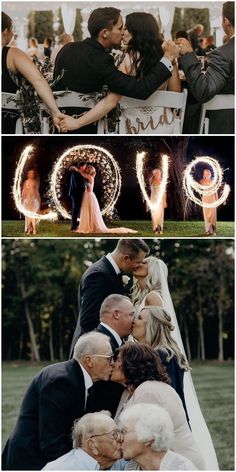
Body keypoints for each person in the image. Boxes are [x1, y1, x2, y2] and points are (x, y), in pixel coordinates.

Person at [130, 255, 219, 469]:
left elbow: (157, 322)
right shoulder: (141, 294)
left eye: (144, 263)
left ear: (152, 272)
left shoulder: (153, 297)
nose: (138, 263)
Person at [54, 7, 179, 133]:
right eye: (120, 28)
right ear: (105, 33)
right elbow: (141, 90)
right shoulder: (103, 60)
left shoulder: (66, 49)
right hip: (90, 129)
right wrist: (167, 59)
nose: (122, 32)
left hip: (56, 122)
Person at [2, 332, 114, 470]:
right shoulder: (60, 382)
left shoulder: (80, 378)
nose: (113, 363)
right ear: (88, 361)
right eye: (109, 358)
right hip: (30, 461)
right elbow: (52, 443)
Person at [112, 343, 205, 470]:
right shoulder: (132, 391)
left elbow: (143, 437)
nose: (113, 364)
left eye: (118, 360)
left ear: (132, 364)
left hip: (175, 464)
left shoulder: (148, 391)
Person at [69, 239, 149, 357]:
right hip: (91, 354)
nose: (138, 266)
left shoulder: (110, 272)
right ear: (126, 258)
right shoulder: (98, 275)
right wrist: (111, 344)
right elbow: (89, 320)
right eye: (138, 262)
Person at [176, 2, 234, 134]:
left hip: (225, 125)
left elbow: (203, 91)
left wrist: (188, 55)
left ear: (225, 21)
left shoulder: (224, 53)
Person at [2, 12, 64, 134]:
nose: (13, 33)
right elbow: (38, 80)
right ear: (5, 31)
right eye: (12, 30)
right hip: (8, 126)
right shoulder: (12, 54)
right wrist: (56, 113)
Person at [132, 305, 189, 422]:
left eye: (139, 318)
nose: (133, 321)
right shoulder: (167, 353)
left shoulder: (160, 355)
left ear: (152, 325)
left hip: (166, 425)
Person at [119, 403, 197, 470]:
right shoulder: (131, 467)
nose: (119, 438)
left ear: (148, 438)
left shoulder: (181, 468)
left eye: (124, 432)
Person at [94, 294, 135, 416]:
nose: (134, 320)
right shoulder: (98, 343)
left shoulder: (113, 340)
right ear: (116, 314)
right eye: (131, 315)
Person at [43, 411, 124, 470]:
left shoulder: (120, 461)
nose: (120, 438)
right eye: (114, 434)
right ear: (92, 444)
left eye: (120, 432)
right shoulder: (59, 469)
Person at [74, 164, 137, 234]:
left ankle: (90, 225)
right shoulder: (89, 177)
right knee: (86, 210)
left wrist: (77, 170)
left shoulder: (90, 177)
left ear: (89, 170)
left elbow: (89, 188)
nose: (86, 169)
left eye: (88, 168)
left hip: (89, 195)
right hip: (87, 195)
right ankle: (87, 224)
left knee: (89, 210)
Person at [68, 161, 88, 231]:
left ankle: (76, 225)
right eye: (85, 167)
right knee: (75, 210)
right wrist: (85, 188)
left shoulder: (78, 173)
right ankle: (73, 227)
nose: (85, 168)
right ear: (81, 167)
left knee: (76, 209)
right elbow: (77, 185)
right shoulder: (76, 174)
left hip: (76, 194)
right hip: (75, 194)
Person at [21, 169, 41, 235]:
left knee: (32, 215)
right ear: (28, 174)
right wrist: (22, 199)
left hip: (33, 200)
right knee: (28, 216)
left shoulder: (35, 182)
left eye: (32, 173)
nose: (31, 174)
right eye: (30, 173)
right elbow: (23, 192)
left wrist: (38, 200)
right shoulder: (25, 182)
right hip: (27, 201)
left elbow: (36, 192)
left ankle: (34, 230)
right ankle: (29, 229)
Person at [149, 168, 167, 234]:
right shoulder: (151, 180)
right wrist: (149, 200)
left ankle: (160, 228)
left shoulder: (162, 182)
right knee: (154, 214)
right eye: (157, 173)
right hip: (153, 199)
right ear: (154, 174)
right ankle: (155, 227)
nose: (159, 174)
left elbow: (164, 192)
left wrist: (164, 201)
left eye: (160, 173)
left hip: (160, 200)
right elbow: (151, 191)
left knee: (160, 214)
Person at [199, 168, 218, 236]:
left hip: (212, 199)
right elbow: (199, 190)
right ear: (204, 174)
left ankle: (214, 231)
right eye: (205, 173)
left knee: (213, 215)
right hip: (205, 199)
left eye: (208, 173)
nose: (207, 174)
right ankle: (208, 230)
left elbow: (215, 192)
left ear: (210, 174)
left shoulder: (213, 181)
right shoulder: (201, 181)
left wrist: (217, 200)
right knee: (206, 215)